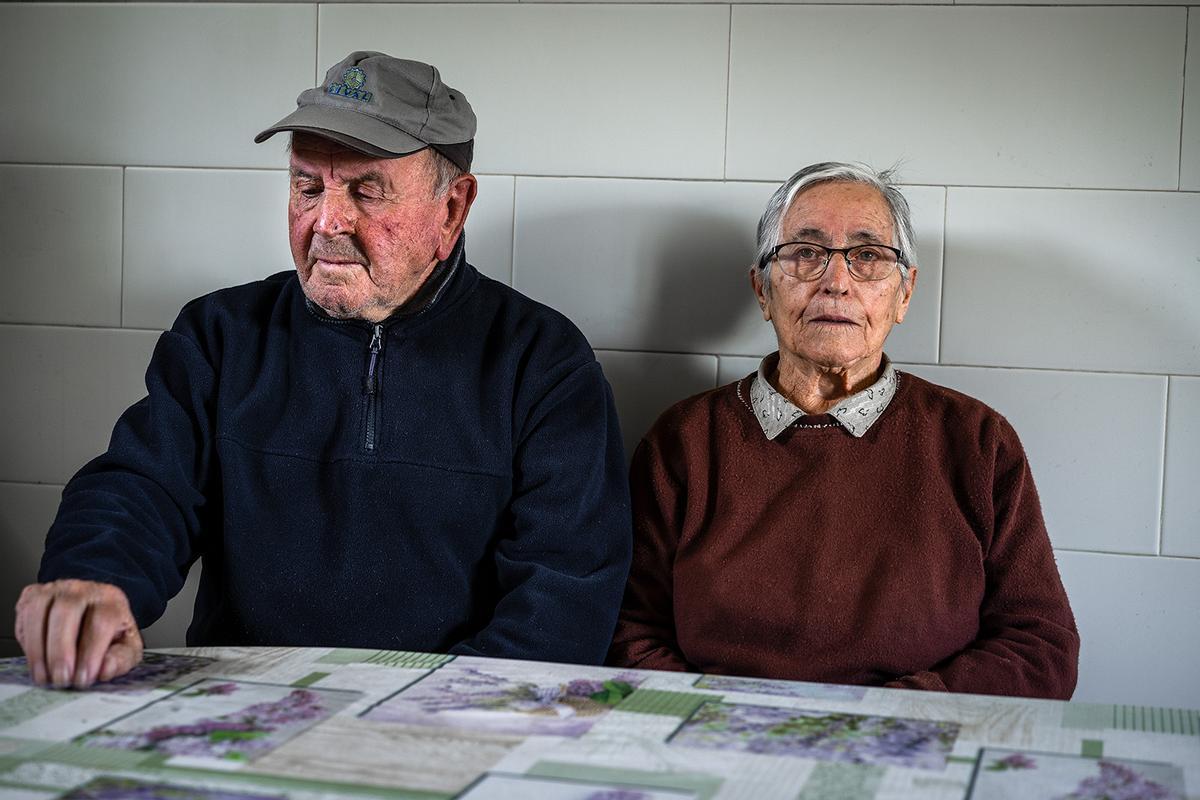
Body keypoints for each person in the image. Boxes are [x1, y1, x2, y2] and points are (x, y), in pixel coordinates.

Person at [17, 52, 631, 689]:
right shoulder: (220, 335)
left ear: (452, 209)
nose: (327, 221)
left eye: (367, 190)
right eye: (308, 187)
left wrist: (428, 717)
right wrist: (94, 580)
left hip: (450, 717)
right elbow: (142, 488)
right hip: (247, 702)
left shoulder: (543, 362)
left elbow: (565, 591)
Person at [609, 162, 1079, 699]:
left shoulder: (975, 441)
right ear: (762, 290)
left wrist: (887, 717)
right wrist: (731, 720)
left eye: (868, 256)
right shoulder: (684, 441)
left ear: (904, 295)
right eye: (806, 253)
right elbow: (626, 629)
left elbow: (1041, 647)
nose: (836, 283)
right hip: (723, 741)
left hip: (910, 748)